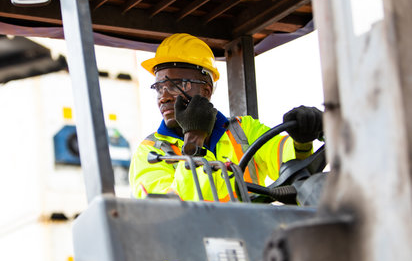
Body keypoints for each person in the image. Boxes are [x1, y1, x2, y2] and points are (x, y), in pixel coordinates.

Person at [129, 33, 323, 201]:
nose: (163, 97)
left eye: (175, 84)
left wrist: (301, 140)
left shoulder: (243, 131)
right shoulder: (150, 153)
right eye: (159, 88)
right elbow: (170, 213)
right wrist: (193, 142)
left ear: (205, 90)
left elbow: (287, 160)